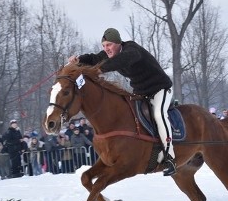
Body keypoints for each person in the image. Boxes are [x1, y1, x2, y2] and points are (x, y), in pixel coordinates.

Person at [72, 28, 176, 176]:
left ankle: (170, 156)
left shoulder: (131, 50)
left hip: (160, 89)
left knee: (159, 115)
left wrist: (99, 70)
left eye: (109, 45)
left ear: (118, 43)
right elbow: (95, 58)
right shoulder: (110, 54)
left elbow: (122, 60)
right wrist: (79, 60)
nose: (106, 49)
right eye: (104, 46)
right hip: (141, 93)